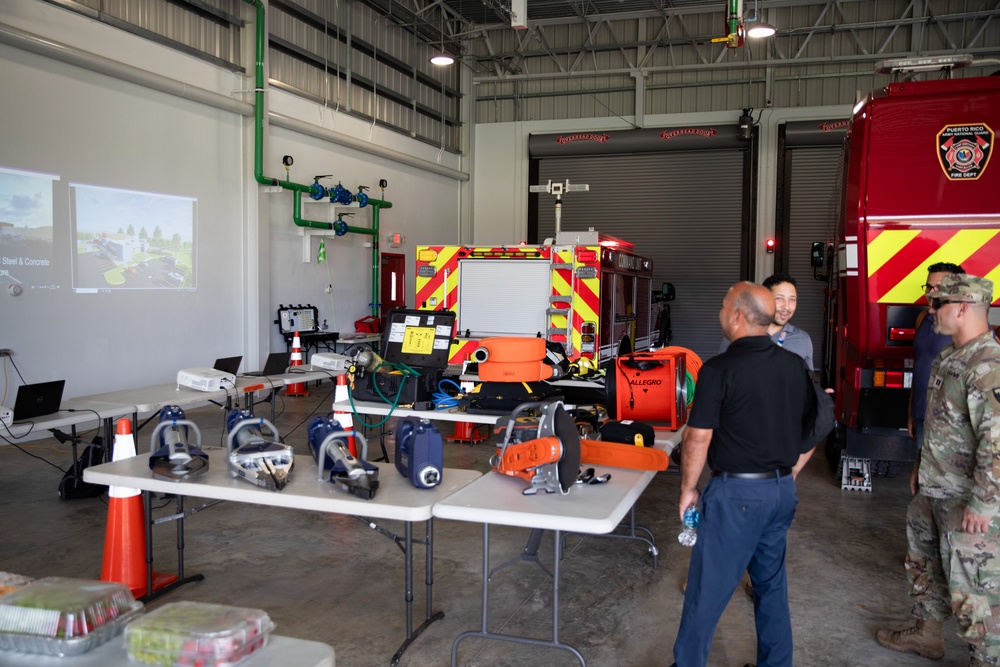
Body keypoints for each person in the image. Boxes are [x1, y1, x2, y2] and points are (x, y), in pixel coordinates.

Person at [669, 282, 819, 667]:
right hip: (781, 492)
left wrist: (689, 489)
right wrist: (789, 471)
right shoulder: (794, 365)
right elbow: (816, 424)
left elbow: (698, 437)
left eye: (723, 306)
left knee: (706, 590)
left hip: (738, 496)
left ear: (737, 316)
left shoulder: (719, 369)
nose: (721, 312)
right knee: (771, 588)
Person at [876, 273, 1000, 667]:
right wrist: (920, 466)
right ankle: (927, 633)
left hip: (967, 499)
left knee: (975, 588)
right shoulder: (951, 357)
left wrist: (983, 503)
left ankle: (987, 658)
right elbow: (943, 424)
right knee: (923, 562)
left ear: (962, 307)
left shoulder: (987, 365)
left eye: (937, 305)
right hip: (934, 487)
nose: (930, 312)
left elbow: (996, 442)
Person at [909, 262, 965, 461]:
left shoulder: (964, 328)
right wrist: (912, 412)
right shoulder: (923, 318)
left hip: (949, 424)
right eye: (929, 287)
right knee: (923, 476)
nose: (931, 293)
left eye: (938, 288)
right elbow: (920, 365)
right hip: (923, 414)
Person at [720, 274, 814, 371]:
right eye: (779, 298)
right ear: (766, 300)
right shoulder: (737, 335)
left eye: (792, 299)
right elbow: (721, 375)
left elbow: (808, 382)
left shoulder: (803, 339)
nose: (786, 307)